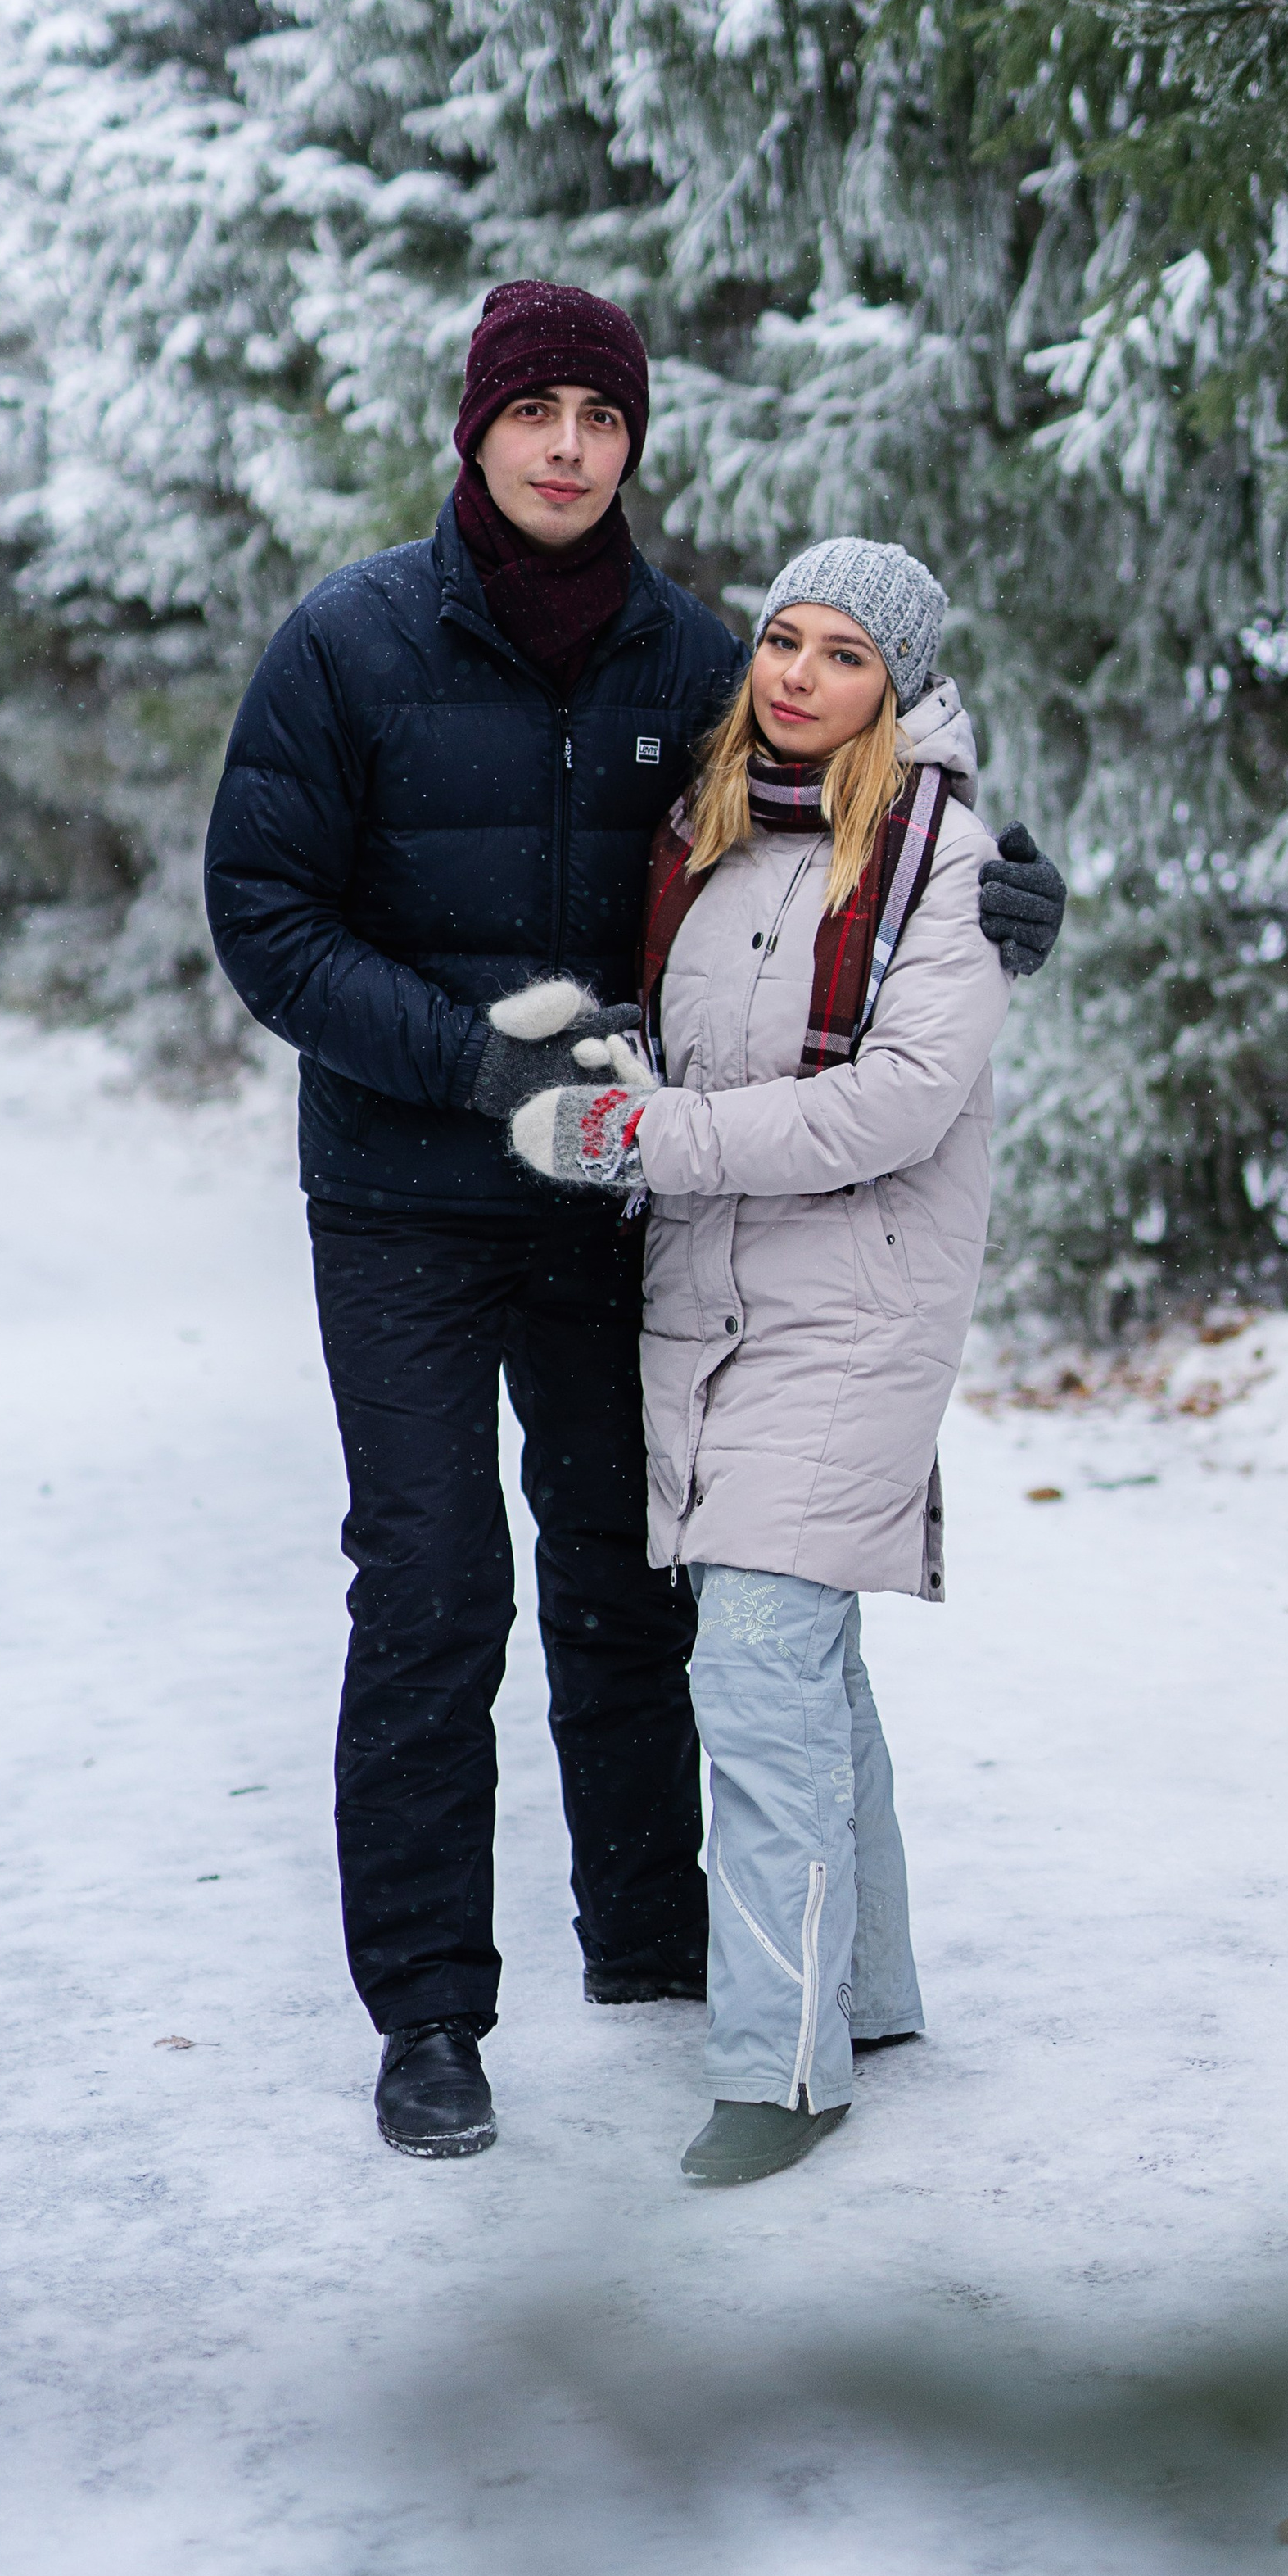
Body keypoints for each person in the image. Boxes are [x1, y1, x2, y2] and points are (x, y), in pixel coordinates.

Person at [204, 282, 1066, 2164]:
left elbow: (845, 806)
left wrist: (1004, 885)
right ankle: (429, 2014)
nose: (568, 445)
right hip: (405, 1201)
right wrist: (474, 1073)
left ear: (633, 442)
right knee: (431, 1594)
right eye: (536, 411)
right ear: (477, 429)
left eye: (600, 414)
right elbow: (266, 920)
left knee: (623, 1581)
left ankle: (656, 1942)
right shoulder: (347, 643)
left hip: (621, 1210)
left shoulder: (693, 658)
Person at [507, 538, 1010, 2184]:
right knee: (797, 1658)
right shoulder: (714, 839)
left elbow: (896, 1102)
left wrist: (654, 1130)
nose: (795, 675)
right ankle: (864, 1995)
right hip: (711, 1297)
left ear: (901, 686)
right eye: (781, 641)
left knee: (755, 1662)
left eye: (841, 654)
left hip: (852, 1308)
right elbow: (698, 1053)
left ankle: (778, 2070)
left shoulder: (940, 859)